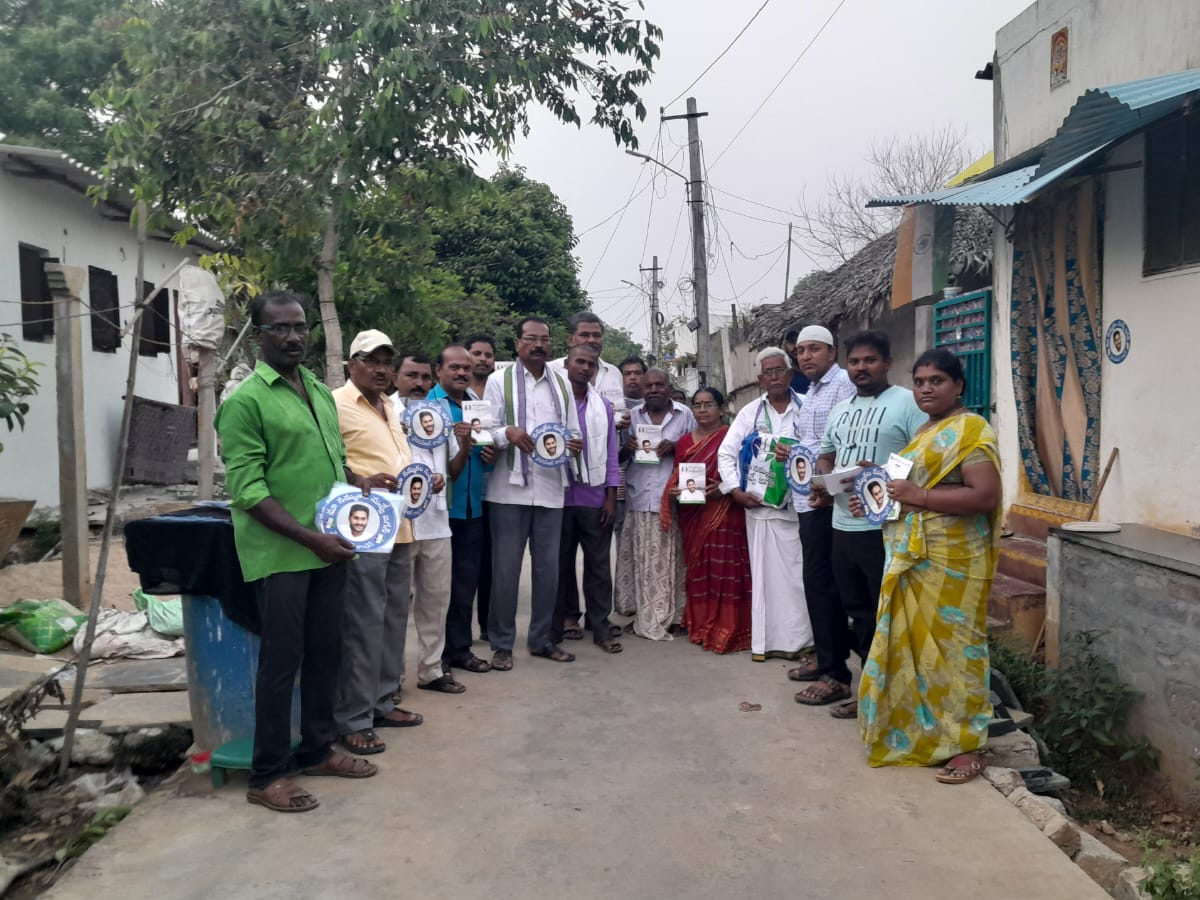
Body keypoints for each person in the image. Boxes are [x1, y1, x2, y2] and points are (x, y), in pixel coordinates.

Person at [215, 291, 381, 813]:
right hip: (283, 554)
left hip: (328, 549)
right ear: (258, 335)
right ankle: (267, 776)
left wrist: (357, 479)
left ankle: (315, 750)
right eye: (279, 328)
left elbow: (327, 460)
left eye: (299, 327)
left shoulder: (314, 387)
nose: (292, 337)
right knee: (281, 664)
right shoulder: (245, 402)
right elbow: (249, 490)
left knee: (326, 654)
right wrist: (311, 539)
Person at [853, 348, 1001, 784]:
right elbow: (910, 493)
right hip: (915, 558)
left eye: (936, 381)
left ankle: (967, 746)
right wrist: (878, 487)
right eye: (919, 382)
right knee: (913, 648)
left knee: (956, 651)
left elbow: (984, 496)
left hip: (954, 561)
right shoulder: (924, 431)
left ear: (959, 385)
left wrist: (920, 497)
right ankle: (920, 732)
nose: (926, 389)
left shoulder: (971, 429)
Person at [812, 330, 927, 719]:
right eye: (855, 362)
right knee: (858, 613)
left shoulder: (908, 403)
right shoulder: (841, 409)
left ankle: (896, 699)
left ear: (888, 363)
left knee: (888, 614)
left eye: (869, 360)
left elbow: (922, 459)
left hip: (886, 529)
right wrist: (827, 482)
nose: (861, 368)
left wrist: (880, 477)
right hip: (843, 526)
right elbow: (827, 454)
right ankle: (869, 693)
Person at [331, 329, 421, 757]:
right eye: (372, 360)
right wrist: (358, 479)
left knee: (393, 616)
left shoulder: (391, 405)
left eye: (387, 360)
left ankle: (385, 701)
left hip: (401, 524)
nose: (382, 369)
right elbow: (329, 460)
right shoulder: (335, 403)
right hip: (362, 525)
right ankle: (353, 718)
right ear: (353, 365)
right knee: (363, 620)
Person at [484, 316, 582, 669]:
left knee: (548, 571)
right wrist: (507, 432)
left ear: (551, 345)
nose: (538, 345)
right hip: (508, 491)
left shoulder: (562, 384)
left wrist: (572, 444)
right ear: (517, 343)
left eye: (544, 339)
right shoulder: (499, 380)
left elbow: (572, 430)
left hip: (551, 489)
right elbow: (485, 428)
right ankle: (502, 644)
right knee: (506, 572)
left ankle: (542, 639)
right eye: (531, 339)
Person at [718, 348, 813, 662]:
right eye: (767, 372)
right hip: (759, 508)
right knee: (765, 578)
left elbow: (822, 449)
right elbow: (726, 454)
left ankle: (802, 641)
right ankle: (767, 642)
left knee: (798, 577)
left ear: (789, 374)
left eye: (779, 371)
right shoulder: (750, 413)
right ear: (760, 379)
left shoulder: (806, 407)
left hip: (798, 507)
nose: (774, 377)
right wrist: (734, 490)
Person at [786, 325, 857, 704]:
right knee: (816, 582)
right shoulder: (810, 391)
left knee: (832, 585)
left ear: (832, 351)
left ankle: (836, 674)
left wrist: (829, 492)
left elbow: (845, 447)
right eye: (800, 350)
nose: (806, 356)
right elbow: (812, 445)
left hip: (833, 503)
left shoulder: (844, 385)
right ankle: (825, 658)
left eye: (814, 349)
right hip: (807, 500)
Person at [393, 352, 467, 695]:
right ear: (397, 377)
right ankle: (390, 680)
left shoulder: (437, 413)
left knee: (436, 599)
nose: (419, 383)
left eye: (424, 377)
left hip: (437, 519)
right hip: (400, 523)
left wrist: (464, 441)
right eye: (411, 375)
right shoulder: (387, 412)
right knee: (394, 604)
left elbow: (453, 470)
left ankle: (431, 669)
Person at [662, 387, 752, 654]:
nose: (702, 410)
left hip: (726, 512)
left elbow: (743, 471)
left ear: (721, 408)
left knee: (727, 570)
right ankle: (701, 624)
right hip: (693, 514)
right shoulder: (685, 442)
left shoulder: (731, 436)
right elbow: (677, 476)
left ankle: (730, 627)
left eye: (708, 404)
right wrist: (675, 491)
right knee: (700, 569)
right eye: (697, 405)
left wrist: (723, 487)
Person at [551, 344, 623, 654]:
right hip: (561, 495)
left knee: (598, 567)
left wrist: (610, 498)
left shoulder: (603, 406)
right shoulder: (556, 403)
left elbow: (610, 454)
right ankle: (565, 620)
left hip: (594, 498)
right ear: (566, 365)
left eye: (590, 364)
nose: (584, 368)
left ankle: (601, 626)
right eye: (579, 362)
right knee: (561, 564)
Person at [430, 344, 496, 676]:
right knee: (439, 588)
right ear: (438, 371)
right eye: (454, 367)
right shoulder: (430, 408)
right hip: (442, 511)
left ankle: (461, 649)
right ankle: (437, 656)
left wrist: (490, 456)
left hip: (473, 508)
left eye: (466, 368)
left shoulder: (475, 405)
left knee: (465, 584)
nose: (461, 373)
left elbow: (485, 455)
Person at [615, 368, 696, 640]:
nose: (653, 390)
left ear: (669, 387)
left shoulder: (685, 415)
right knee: (642, 562)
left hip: (671, 499)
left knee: (670, 561)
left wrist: (676, 447)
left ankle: (673, 616)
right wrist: (627, 448)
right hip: (639, 498)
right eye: (649, 385)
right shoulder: (631, 418)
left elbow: (697, 451)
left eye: (659, 385)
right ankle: (644, 613)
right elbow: (616, 458)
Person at [463, 333, 497, 641]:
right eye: (477, 353)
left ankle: (488, 625)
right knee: (464, 565)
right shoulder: (457, 396)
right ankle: (459, 631)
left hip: (494, 488)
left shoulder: (498, 395)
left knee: (490, 562)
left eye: (488, 354)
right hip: (464, 488)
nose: (483, 359)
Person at [548, 311, 623, 397]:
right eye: (584, 335)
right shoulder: (551, 370)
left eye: (596, 335)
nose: (591, 340)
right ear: (570, 340)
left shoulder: (614, 373)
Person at [782, 328, 813, 395]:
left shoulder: (817, 372)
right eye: (791, 342)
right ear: (785, 346)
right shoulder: (786, 377)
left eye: (798, 340)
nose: (795, 346)